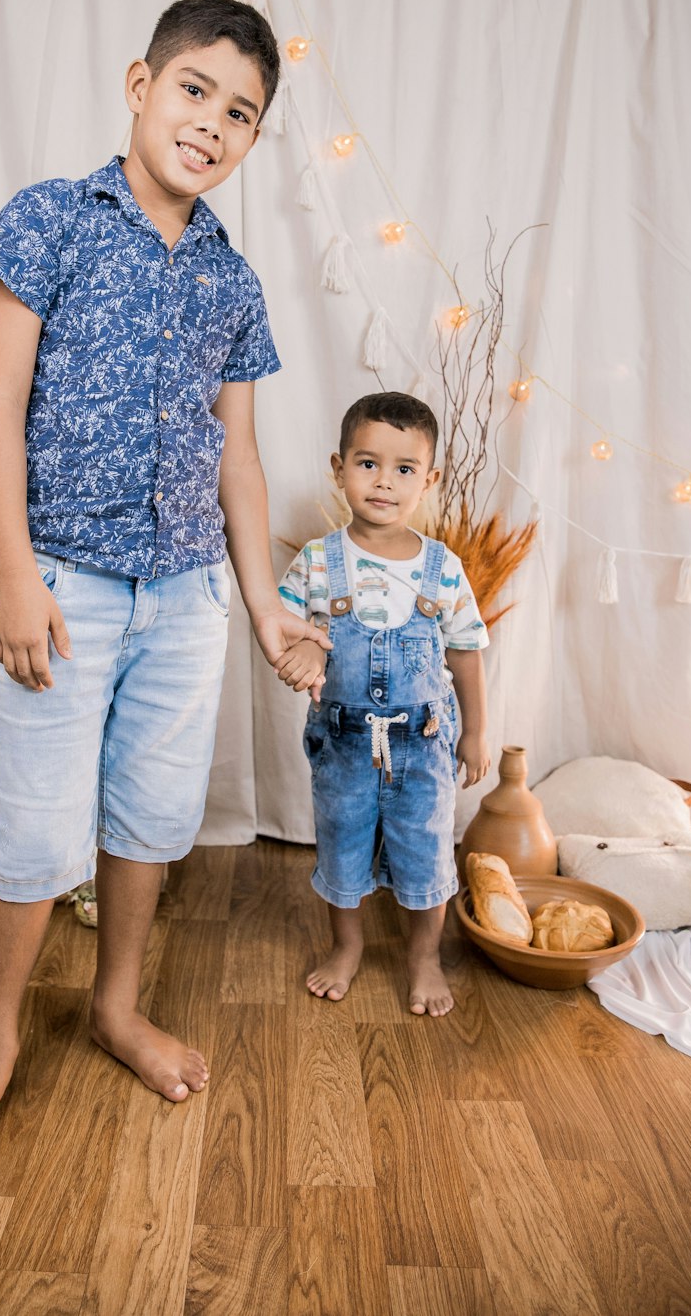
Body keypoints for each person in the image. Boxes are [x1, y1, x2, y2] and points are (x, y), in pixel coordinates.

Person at [0, 0, 330, 1181]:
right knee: (39, 828)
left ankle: (115, 1006)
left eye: (240, 113)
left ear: (253, 139)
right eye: (194, 90)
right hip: (64, 585)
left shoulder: (230, 279)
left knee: (150, 821)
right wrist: (13, 580)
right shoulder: (47, 219)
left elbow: (236, 455)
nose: (211, 123)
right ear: (139, 82)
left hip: (188, 593)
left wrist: (262, 606)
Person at [274, 391, 491, 1016]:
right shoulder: (318, 561)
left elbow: (468, 653)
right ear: (337, 467)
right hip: (343, 742)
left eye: (404, 469)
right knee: (341, 843)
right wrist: (309, 646)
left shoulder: (442, 568)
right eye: (367, 463)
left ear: (429, 480)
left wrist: (476, 731)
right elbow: (280, 625)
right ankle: (347, 946)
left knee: (425, 848)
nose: (384, 482)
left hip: (423, 745)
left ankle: (424, 956)